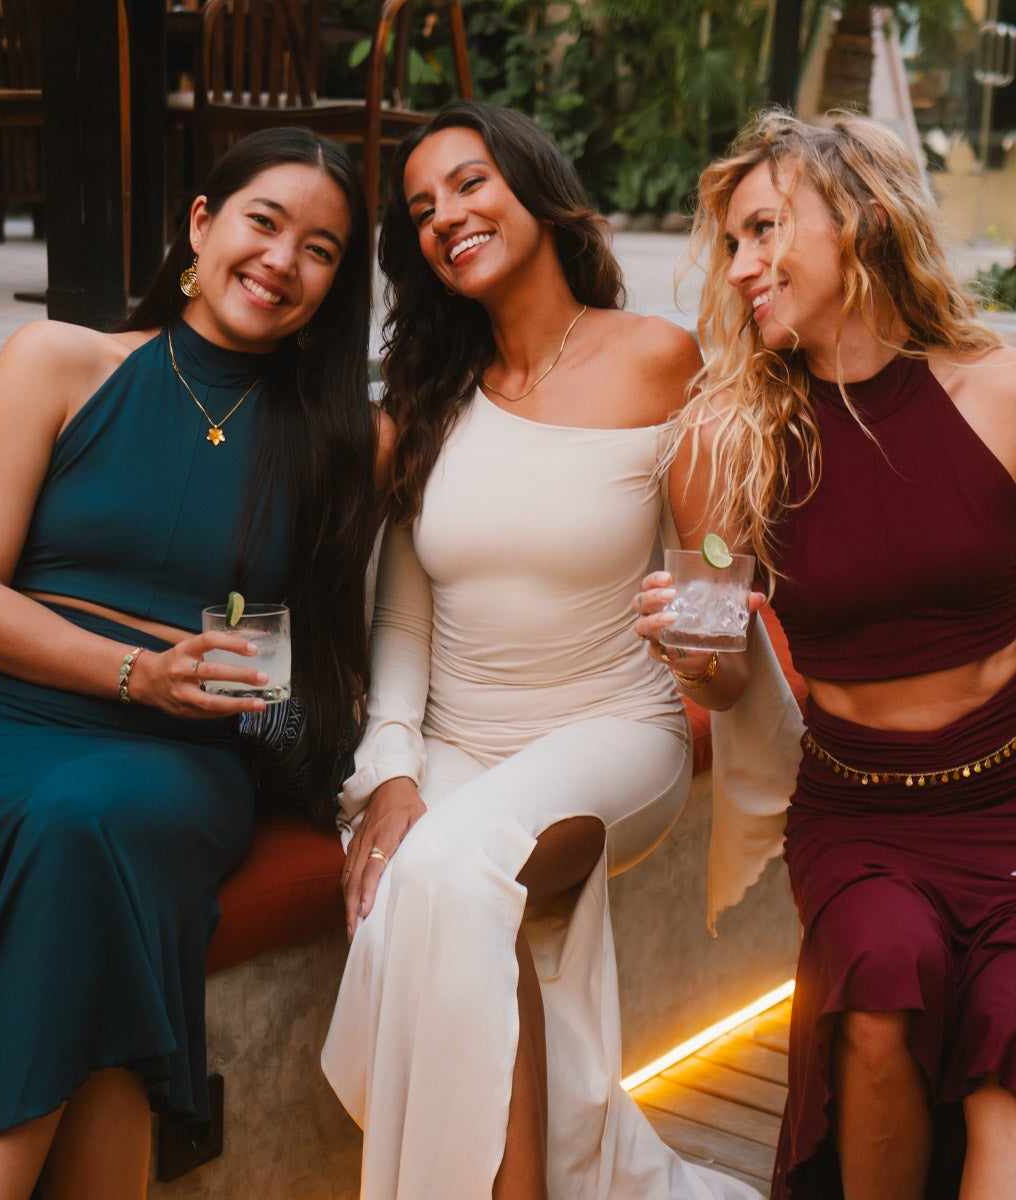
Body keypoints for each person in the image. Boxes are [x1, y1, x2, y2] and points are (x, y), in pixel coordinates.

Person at [0, 128, 379, 1200]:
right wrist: (137, 674)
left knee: (87, 826)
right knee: (88, 864)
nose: (282, 261)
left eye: (321, 250)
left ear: (337, 285)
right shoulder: (57, 360)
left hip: (181, 760)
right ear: (202, 223)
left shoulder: (339, 437)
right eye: (264, 222)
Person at [634, 111, 1016, 1200]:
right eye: (730, 244)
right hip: (860, 814)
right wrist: (694, 657)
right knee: (875, 991)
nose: (740, 265)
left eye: (765, 229)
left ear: (859, 218)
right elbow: (723, 669)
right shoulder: (726, 439)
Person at [321, 100, 761, 1200]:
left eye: (470, 183)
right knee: (422, 900)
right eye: (422, 207)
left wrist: (710, 643)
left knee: (449, 872)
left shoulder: (658, 359)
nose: (447, 215)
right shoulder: (427, 393)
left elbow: (715, 583)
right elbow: (405, 618)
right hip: (459, 740)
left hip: (612, 730)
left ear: (534, 187)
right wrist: (393, 771)